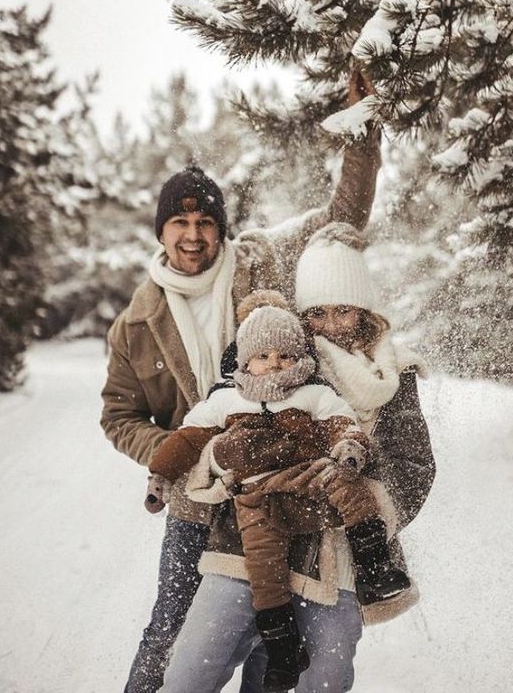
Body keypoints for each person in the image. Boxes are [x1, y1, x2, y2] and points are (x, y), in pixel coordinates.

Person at [101, 70, 381, 693]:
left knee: (269, 636)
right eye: (180, 223)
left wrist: (361, 134)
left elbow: (342, 216)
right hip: (199, 498)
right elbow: (118, 417)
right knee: (171, 631)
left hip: (278, 486)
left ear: (222, 228)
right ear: (161, 232)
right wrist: (185, 456)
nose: (194, 235)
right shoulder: (137, 324)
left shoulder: (264, 261)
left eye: (205, 223)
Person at [159, 222, 435, 693]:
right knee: (191, 670)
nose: (330, 324)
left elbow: (415, 466)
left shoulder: (394, 375)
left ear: (364, 313)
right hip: (249, 541)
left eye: (343, 311)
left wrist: (347, 494)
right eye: (318, 312)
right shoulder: (275, 353)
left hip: (339, 548)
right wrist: (236, 462)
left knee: (323, 679)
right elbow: (218, 425)